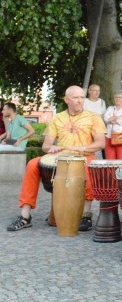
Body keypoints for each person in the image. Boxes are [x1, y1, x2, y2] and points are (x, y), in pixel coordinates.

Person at [7, 86, 106, 232]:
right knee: (33, 163)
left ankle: (86, 215)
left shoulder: (94, 117)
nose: (80, 101)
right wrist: (51, 149)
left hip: (84, 156)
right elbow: (46, 146)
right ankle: (25, 215)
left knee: (89, 166)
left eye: (81, 97)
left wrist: (81, 149)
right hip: (60, 157)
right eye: (75, 97)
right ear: (67, 100)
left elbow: (101, 143)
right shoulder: (57, 117)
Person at [103, 90, 122, 160]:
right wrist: (117, 117)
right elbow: (105, 118)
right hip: (109, 136)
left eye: (120, 97)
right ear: (114, 98)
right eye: (116, 97)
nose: (118, 99)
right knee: (109, 161)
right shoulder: (110, 108)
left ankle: (120, 172)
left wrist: (111, 119)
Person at [83, 84, 106, 159]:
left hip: (98, 130)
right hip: (86, 129)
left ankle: (98, 168)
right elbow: (82, 116)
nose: (97, 92)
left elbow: (103, 116)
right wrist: (97, 117)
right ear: (89, 91)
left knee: (98, 150)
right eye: (95, 90)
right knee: (86, 148)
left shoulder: (102, 102)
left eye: (98, 91)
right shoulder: (84, 101)